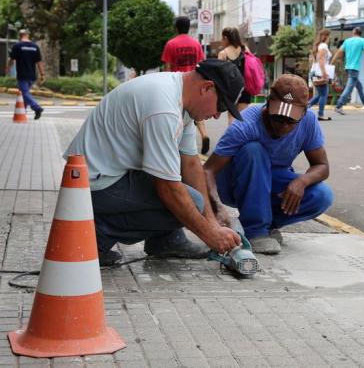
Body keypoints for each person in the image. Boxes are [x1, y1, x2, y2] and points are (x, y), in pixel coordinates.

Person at [64, 59, 246, 266]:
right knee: (191, 201)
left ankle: (165, 240)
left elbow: (191, 164)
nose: (216, 115)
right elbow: (167, 187)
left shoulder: (180, 98)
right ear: (206, 87)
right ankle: (96, 235)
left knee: (189, 195)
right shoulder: (164, 107)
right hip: (88, 186)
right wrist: (210, 235)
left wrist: (212, 222)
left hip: (108, 176)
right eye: (221, 107)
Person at [203, 74, 334, 255]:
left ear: (304, 113)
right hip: (235, 182)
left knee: (322, 195)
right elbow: (208, 170)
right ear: (267, 104)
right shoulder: (245, 123)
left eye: (290, 121)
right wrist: (216, 211)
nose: (283, 126)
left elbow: (322, 165)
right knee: (253, 150)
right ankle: (256, 230)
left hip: (273, 178)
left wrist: (301, 182)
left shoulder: (309, 121)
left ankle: (267, 222)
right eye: (277, 118)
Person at [162, 16, 210, 154]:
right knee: (197, 112)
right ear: (189, 28)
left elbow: (167, 68)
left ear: (176, 28)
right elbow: (201, 64)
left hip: (178, 84)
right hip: (195, 83)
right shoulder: (196, 44)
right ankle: (204, 134)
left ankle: (180, 144)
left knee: (178, 115)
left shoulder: (171, 44)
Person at [331, 27, 364, 115]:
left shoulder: (347, 41)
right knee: (349, 88)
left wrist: (332, 62)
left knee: (360, 89)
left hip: (348, 68)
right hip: (354, 69)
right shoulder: (362, 41)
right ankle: (338, 106)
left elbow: (338, 52)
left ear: (353, 32)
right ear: (360, 33)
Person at [7, 30, 45, 119]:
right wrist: (42, 74)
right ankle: (22, 112)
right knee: (25, 94)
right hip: (32, 76)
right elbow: (39, 62)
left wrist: (8, 68)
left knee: (24, 93)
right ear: (28, 35)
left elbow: (12, 60)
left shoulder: (17, 46)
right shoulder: (35, 47)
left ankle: (37, 108)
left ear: (19, 36)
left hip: (22, 75)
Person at [218, 27, 251, 125]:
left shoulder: (223, 54)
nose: (221, 41)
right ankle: (242, 138)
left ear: (226, 38)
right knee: (242, 116)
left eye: (222, 38)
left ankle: (233, 138)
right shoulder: (245, 50)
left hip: (231, 89)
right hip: (245, 88)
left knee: (232, 116)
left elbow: (220, 75)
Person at [308, 29, 332, 121]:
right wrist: (324, 73)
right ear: (326, 36)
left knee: (320, 95)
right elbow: (321, 59)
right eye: (329, 36)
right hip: (319, 72)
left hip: (315, 71)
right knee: (323, 94)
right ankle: (320, 115)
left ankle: (303, 109)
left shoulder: (319, 46)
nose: (330, 38)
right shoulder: (323, 46)